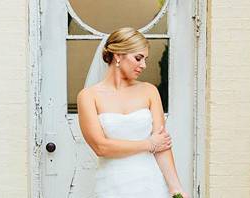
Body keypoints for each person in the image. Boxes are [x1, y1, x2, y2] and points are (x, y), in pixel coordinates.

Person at [77, 27, 189, 198]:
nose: (143, 65)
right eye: (138, 58)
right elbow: (101, 147)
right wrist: (149, 144)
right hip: (111, 185)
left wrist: (176, 188)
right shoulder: (88, 96)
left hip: (151, 183)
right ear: (118, 55)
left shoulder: (149, 91)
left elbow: (162, 146)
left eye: (145, 59)